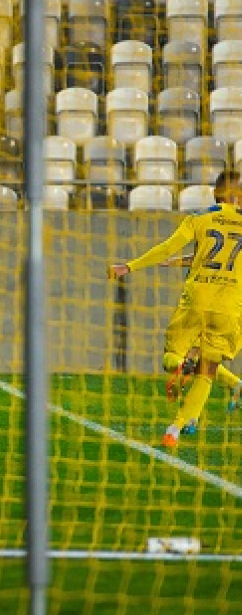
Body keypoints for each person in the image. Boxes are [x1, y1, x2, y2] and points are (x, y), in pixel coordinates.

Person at [108, 170, 242, 448]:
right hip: (229, 306)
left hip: (196, 299)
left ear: (215, 193)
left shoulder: (199, 218)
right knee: (207, 370)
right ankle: (176, 428)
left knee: (171, 355)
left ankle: (181, 365)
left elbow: (167, 247)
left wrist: (128, 266)